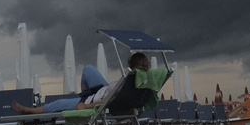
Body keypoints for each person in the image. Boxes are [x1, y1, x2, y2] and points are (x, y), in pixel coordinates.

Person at [11, 52, 150, 114]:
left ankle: (27, 110)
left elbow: (105, 102)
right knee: (88, 69)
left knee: (58, 104)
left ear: (131, 65)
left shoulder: (125, 86)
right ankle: (83, 94)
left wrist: (85, 106)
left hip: (95, 98)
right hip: (103, 88)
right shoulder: (141, 81)